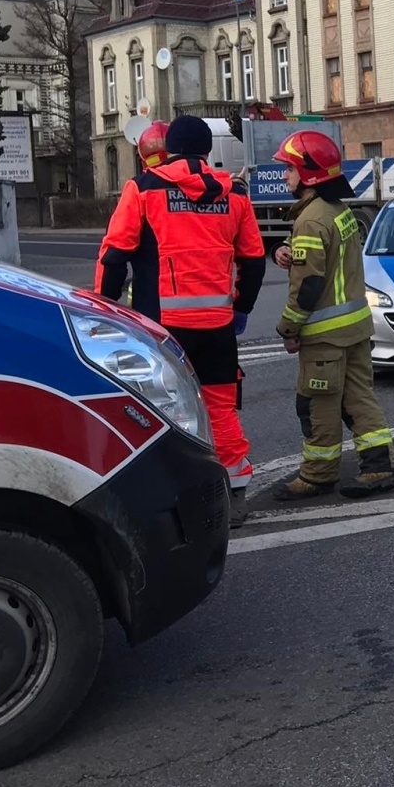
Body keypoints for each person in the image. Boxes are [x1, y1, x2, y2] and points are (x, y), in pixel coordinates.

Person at [97, 114, 267, 526]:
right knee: (221, 408)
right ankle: (235, 493)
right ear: (208, 151)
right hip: (217, 325)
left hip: (161, 329)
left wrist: (103, 309)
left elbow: (115, 255)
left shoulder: (142, 189)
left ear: (168, 149)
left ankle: (170, 497)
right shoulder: (234, 194)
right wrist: (240, 307)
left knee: (159, 410)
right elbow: (254, 260)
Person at [269, 130, 394, 501]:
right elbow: (330, 264)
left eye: (289, 169)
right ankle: (379, 467)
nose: (284, 176)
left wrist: (288, 327)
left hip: (324, 336)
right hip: (355, 329)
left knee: (316, 404)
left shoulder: (310, 220)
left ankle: (317, 475)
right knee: (359, 398)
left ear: (308, 175)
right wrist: (287, 252)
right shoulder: (338, 212)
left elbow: (309, 285)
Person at [94, 120, 170, 322]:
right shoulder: (213, 188)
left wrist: (103, 303)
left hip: (152, 309)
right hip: (213, 318)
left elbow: (115, 254)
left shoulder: (140, 189)